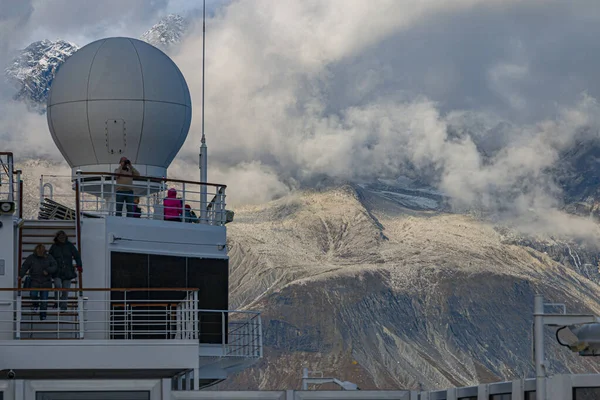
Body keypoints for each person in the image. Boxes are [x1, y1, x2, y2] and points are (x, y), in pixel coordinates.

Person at [19, 244, 57, 320]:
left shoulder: (49, 257)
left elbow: (55, 266)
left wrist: (48, 270)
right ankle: (35, 305)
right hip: (34, 281)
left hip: (46, 282)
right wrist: (20, 275)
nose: (40, 252)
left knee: (44, 300)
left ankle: (43, 315)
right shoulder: (31, 257)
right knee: (33, 295)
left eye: (42, 251)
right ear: (36, 250)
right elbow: (25, 266)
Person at [49, 230, 82, 311]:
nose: (62, 238)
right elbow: (49, 259)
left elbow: (77, 256)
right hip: (57, 271)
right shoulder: (54, 247)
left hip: (68, 272)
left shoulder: (70, 246)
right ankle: (57, 302)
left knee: (65, 290)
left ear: (66, 237)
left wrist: (79, 266)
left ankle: (63, 306)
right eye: (60, 237)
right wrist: (49, 268)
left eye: (63, 236)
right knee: (58, 286)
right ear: (57, 237)